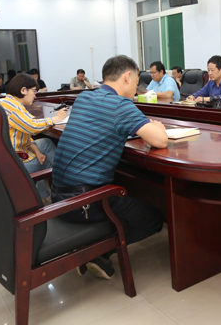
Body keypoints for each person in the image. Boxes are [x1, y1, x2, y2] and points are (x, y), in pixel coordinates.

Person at [52, 55, 167, 279]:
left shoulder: (84, 97)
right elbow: (160, 141)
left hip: (58, 195)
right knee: (153, 219)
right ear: (128, 77)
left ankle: (94, 246)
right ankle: (97, 252)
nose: (136, 89)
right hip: (84, 203)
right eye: (136, 82)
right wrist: (158, 128)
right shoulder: (120, 105)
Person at [0, 74, 67, 205]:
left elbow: (24, 132)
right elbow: (32, 127)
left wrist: (37, 151)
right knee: (49, 161)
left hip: (9, 152)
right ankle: (59, 193)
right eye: (34, 91)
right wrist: (55, 119)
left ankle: (45, 194)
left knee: (46, 143)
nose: (35, 96)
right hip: (14, 161)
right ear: (23, 90)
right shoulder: (13, 107)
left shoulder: (7, 102)